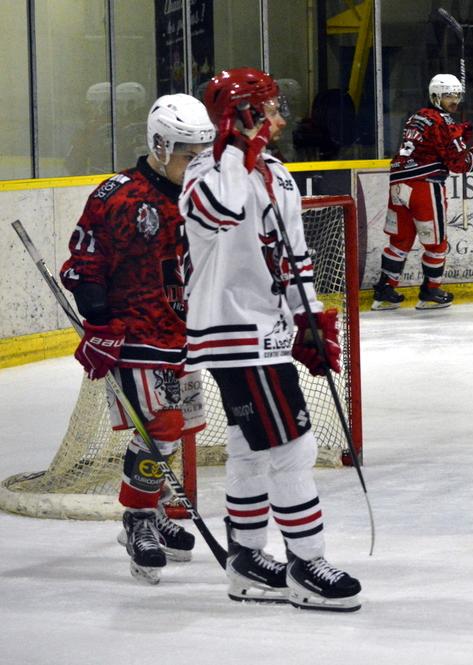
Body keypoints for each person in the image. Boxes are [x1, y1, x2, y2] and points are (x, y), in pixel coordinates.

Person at [181, 67, 361, 611]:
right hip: (233, 331)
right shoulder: (207, 171)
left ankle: (246, 560)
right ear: (243, 116)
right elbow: (218, 213)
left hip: (269, 330)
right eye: (269, 109)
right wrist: (237, 149)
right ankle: (306, 565)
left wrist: (308, 317)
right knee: (293, 445)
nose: (280, 119)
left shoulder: (278, 173)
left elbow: (295, 253)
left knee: (250, 445)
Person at [59, 93, 216, 584]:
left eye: (204, 154)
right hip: (136, 334)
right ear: (161, 146)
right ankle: (138, 518)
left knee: (175, 430)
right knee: (161, 426)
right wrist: (99, 322)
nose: (199, 165)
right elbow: (83, 264)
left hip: (184, 333)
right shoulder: (119, 197)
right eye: (189, 155)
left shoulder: (204, 195)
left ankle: (155, 506)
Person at [370, 73, 473, 310]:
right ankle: (431, 291)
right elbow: (458, 163)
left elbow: (431, 145)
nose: (455, 100)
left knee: (400, 240)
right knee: (436, 243)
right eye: (449, 95)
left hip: (398, 184)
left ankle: (384, 291)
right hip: (424, 186)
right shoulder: (442, 121)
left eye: (457, 95)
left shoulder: (416, 116)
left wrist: (458, 136)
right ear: (436, 96)